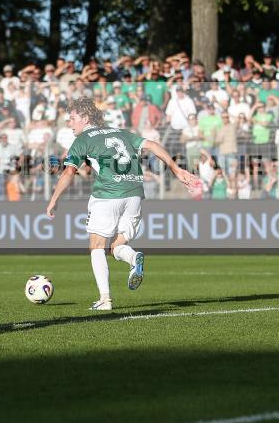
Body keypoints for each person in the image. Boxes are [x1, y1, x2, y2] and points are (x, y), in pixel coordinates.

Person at [45, 97, 199, 311]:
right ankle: (134, 257)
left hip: (108, 195)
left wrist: (54, 199)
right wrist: (176, 168)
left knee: (96, 246)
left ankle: (105, 299)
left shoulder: (83, 139)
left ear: (86, 118)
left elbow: (70, 171)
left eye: (72, 119)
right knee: (116, 246)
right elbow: (152, 145)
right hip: (135, 194)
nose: (69, 123)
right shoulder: (120, 132)